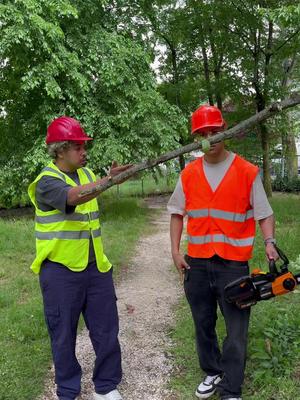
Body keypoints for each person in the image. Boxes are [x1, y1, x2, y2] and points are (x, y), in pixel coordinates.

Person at [167, 105, 279, 400]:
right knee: (203, 323)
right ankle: (213, 371)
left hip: (233, 265)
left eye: (214, 131)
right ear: (196, 138)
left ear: (225, 129)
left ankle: (231, 387)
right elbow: (177, 213)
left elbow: (264, 214)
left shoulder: (246, 171)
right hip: (197, 265)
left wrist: (269, 242)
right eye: (202, 134)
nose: (209, 138)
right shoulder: (189, 173)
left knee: (236, 329)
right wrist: (175, 252)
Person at [28, 116, 132, 400]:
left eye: (85, 146)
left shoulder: (87, 175)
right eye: (78, 146)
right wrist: (109, 181)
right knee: (63, 334)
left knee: (106, 329)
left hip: (96, 267)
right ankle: (68, 389)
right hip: (60, 272)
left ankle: (107, 386)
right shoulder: (46, 182)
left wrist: (109, 179)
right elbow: (73, 198)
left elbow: (91, 193)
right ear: (60, 150)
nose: (85, 151)